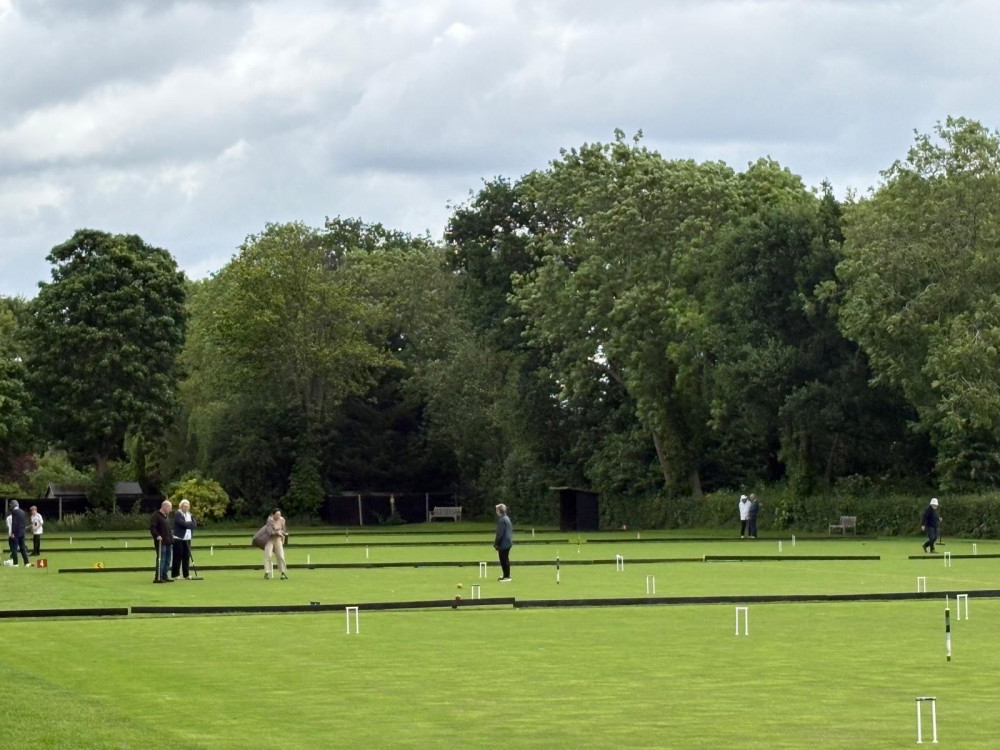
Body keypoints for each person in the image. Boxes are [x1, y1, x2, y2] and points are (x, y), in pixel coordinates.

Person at [171, 499, 197, 580]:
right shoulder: (178, 514)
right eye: (185, 506)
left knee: (186, 557)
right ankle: (175, 574)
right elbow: (182, 523)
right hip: (178, 538)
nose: (186, 508)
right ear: (181, 506)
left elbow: (194, 524)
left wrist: (188, 524)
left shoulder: (190, 515)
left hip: (187, 538)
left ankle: (186, 574)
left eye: (187, 506)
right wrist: (189, 524)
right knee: (177, 556)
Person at [149, 500, 174, 583]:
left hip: (168, 541)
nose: (170, 510)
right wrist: (157, 535)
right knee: (161, 558)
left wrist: (171, 538)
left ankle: (164, 575)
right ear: (165, 507)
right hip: (161, 542)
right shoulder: (156, 515)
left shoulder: (165, 516)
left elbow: (168, 529)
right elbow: (152, 527)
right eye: (169, 508)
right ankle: (158, 577)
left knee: (168, 559)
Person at [262, 509, 288, 580]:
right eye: (277, 515)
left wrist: (281, 532)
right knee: (268, 555)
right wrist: (277, 532)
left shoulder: (282, 520)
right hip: (269, 540)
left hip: (278, 539)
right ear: (273, 515)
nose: (278, 516)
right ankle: (267, 572)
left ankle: (282, 573)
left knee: (280, 555)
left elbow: (284, 529)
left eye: (279, 514)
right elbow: (269, 531)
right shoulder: (269, 520)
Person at [494, 503, 513, 582]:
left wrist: (496, 544)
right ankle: (506, 575)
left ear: (499, 511)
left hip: (504, 543)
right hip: (508, 542)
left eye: (497, 510)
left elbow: (500, 534)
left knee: (503, 560)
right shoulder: (506, 518)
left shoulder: (502, 520)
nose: (496, 511)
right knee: (505, 559)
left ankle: (507, 576)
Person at [8, 500, 29, 567]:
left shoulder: (14, 512)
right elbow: (24, 522)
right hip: (22, 532)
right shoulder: (22, 512)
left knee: (14, 548)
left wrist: (12, 533)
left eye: (11, 505)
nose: (10, 506)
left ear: (14, 505)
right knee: (22, 548)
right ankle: (26, 563)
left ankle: (15, 563)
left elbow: (14, 523)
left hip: (16, 533)